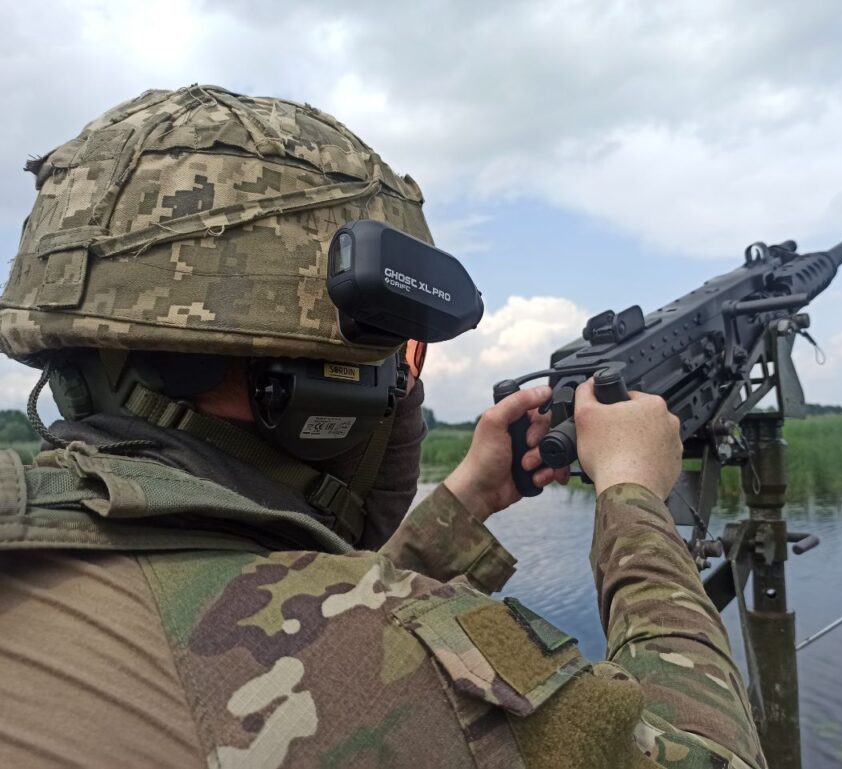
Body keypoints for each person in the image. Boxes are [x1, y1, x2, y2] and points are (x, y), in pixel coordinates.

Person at [0, 86, 765, 768]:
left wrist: (468, 499)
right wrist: (633, 491)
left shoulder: (40, 542)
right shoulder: (413, 683)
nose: (409, 383)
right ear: (298, 386)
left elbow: (288, 621)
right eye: (403, 352)